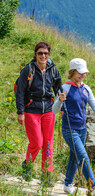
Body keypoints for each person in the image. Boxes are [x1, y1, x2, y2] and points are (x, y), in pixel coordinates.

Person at [52, 58, 95, 196]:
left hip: (82, 129)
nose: (83, 75)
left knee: (74, 155)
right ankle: (94, 186)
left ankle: (68, 183)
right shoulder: (65, 88)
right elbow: (54, 110)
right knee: (83, 156)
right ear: (72, 72)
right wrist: (59, 100)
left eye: (84, 73)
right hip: (69, 129)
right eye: (80, 73)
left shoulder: (86, 88)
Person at [15, 41, 62, 183]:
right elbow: (20, 92)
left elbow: (59, 88)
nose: (43, 55)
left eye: (46, 53)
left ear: (49, 54)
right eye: (40, 53)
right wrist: (20, 112)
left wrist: (62, 103)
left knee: (48, 143)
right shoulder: (28, 69)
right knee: (37, 142)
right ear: (35, 54)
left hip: (48, 109)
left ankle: (46, 175)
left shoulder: (53, 69)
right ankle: (27, 166)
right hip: (31, 109)